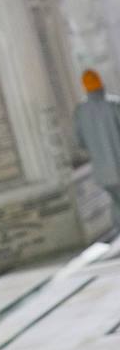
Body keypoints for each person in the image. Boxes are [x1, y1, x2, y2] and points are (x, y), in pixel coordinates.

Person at [73, 69, 120, 230]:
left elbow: (80, 143)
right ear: (101, 84)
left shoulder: (80, 111)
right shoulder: (114, 104)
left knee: (117, 202)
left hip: (103, 173)